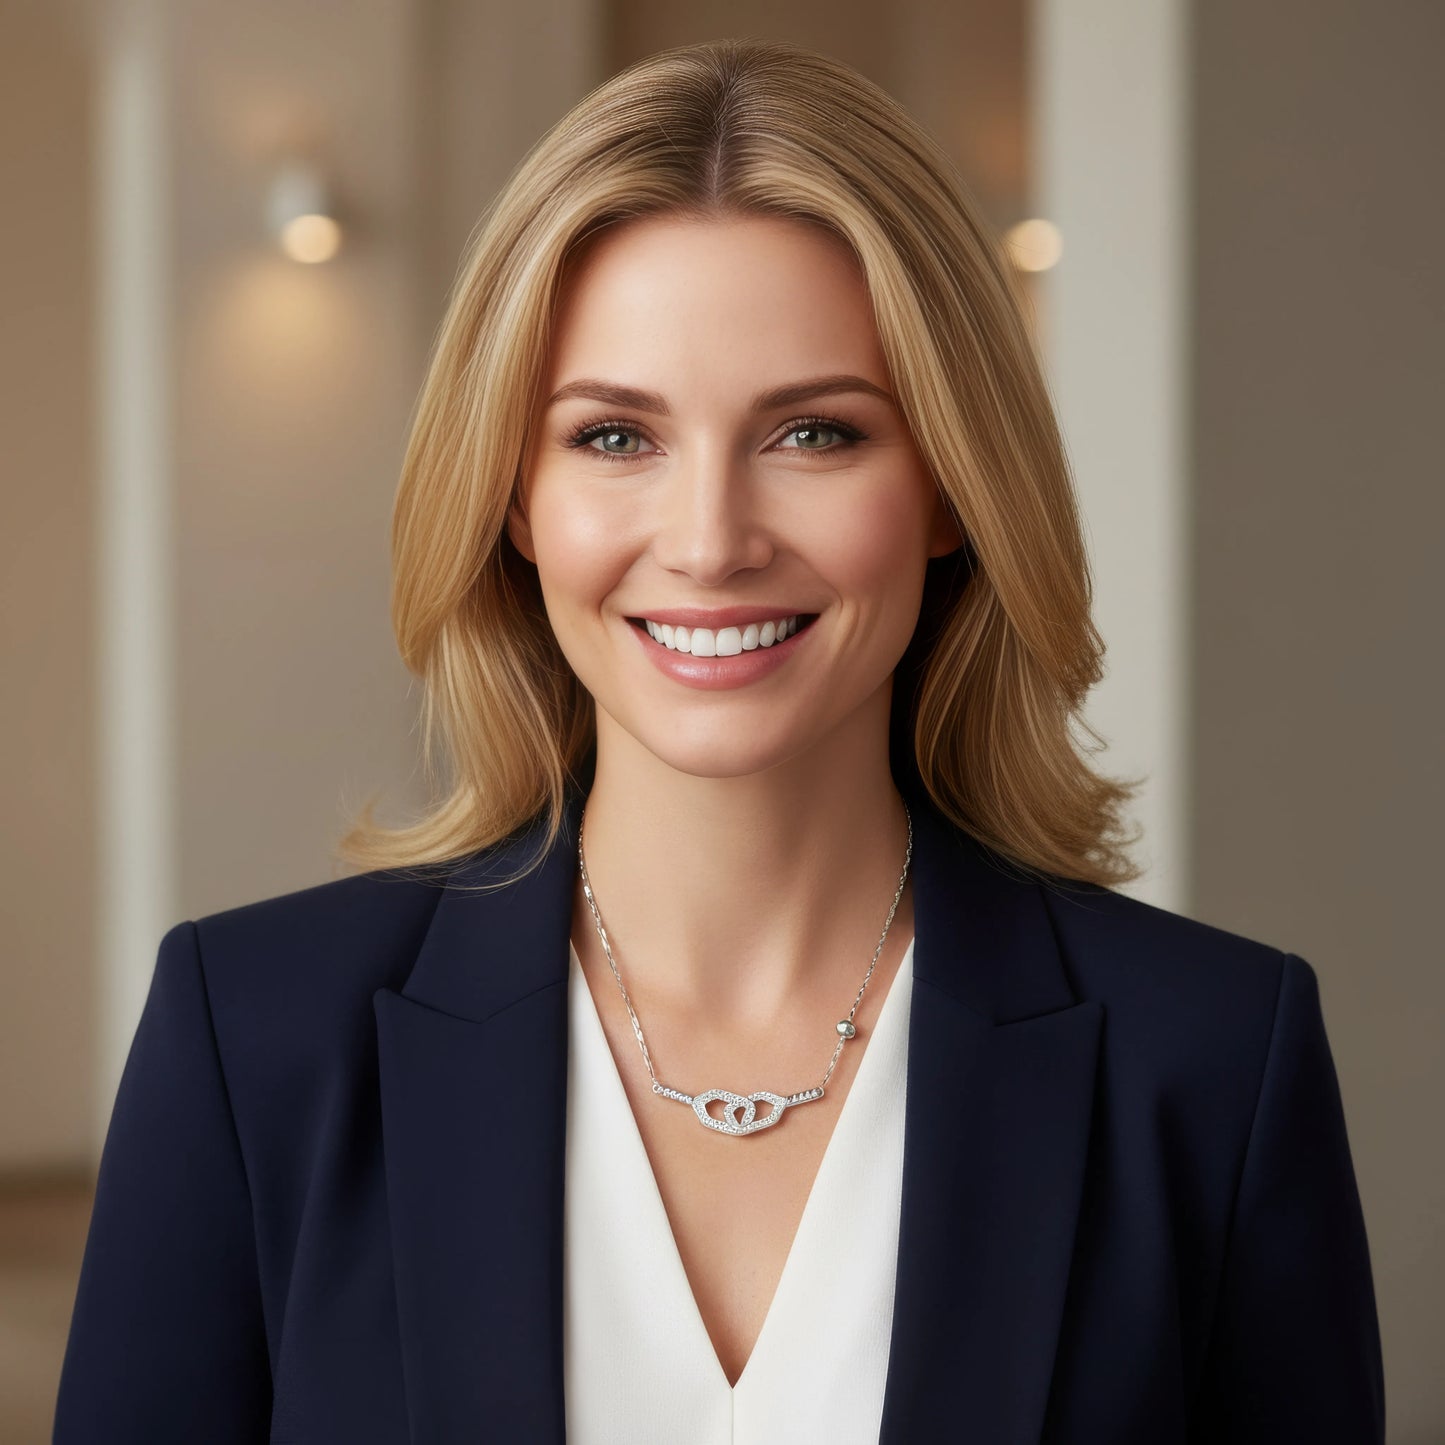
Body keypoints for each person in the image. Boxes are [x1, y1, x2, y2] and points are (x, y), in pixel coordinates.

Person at [54, 36, 1384, 1445]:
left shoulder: (1213, 1063)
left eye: (813, 433)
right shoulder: (251, 1038)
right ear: (513, 497)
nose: (708, 542)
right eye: (613, 438)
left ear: (951, 485)